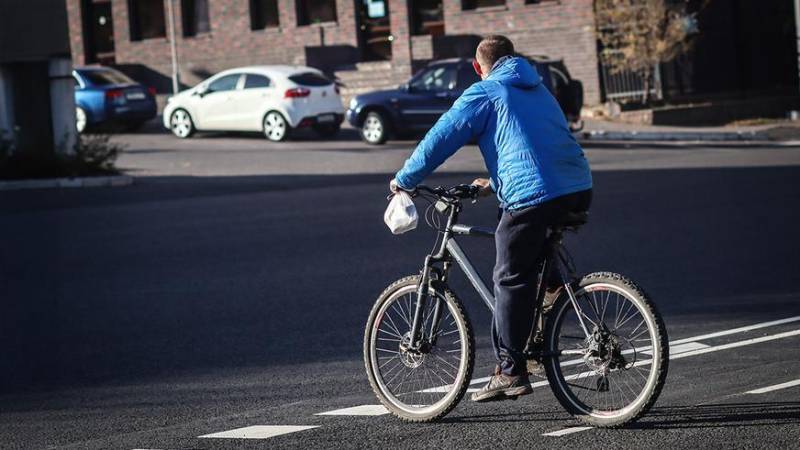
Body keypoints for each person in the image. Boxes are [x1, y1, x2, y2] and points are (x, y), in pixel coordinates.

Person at [389, 35, 593, 402]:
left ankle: (511, 372)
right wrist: (494, 181)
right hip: (578, 185)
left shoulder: (485, 91)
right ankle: (552, 295)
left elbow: (442, 136)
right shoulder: (538, 87)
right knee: (534, 255)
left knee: (509, 276)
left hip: (534, 194)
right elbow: (537, 143)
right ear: (514, 58)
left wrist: (404, 180)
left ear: (477, 67)